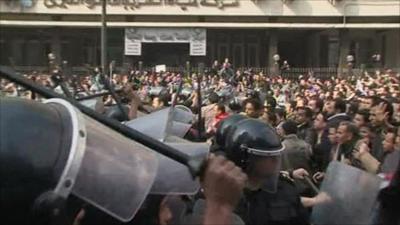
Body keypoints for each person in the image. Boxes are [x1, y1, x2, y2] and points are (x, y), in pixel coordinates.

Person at [216, 117, 309, 225]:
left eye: (276, 156)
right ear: (246, 158)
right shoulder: (222, 194)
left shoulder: (286, 190)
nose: (275, 161)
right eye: (267, 157)